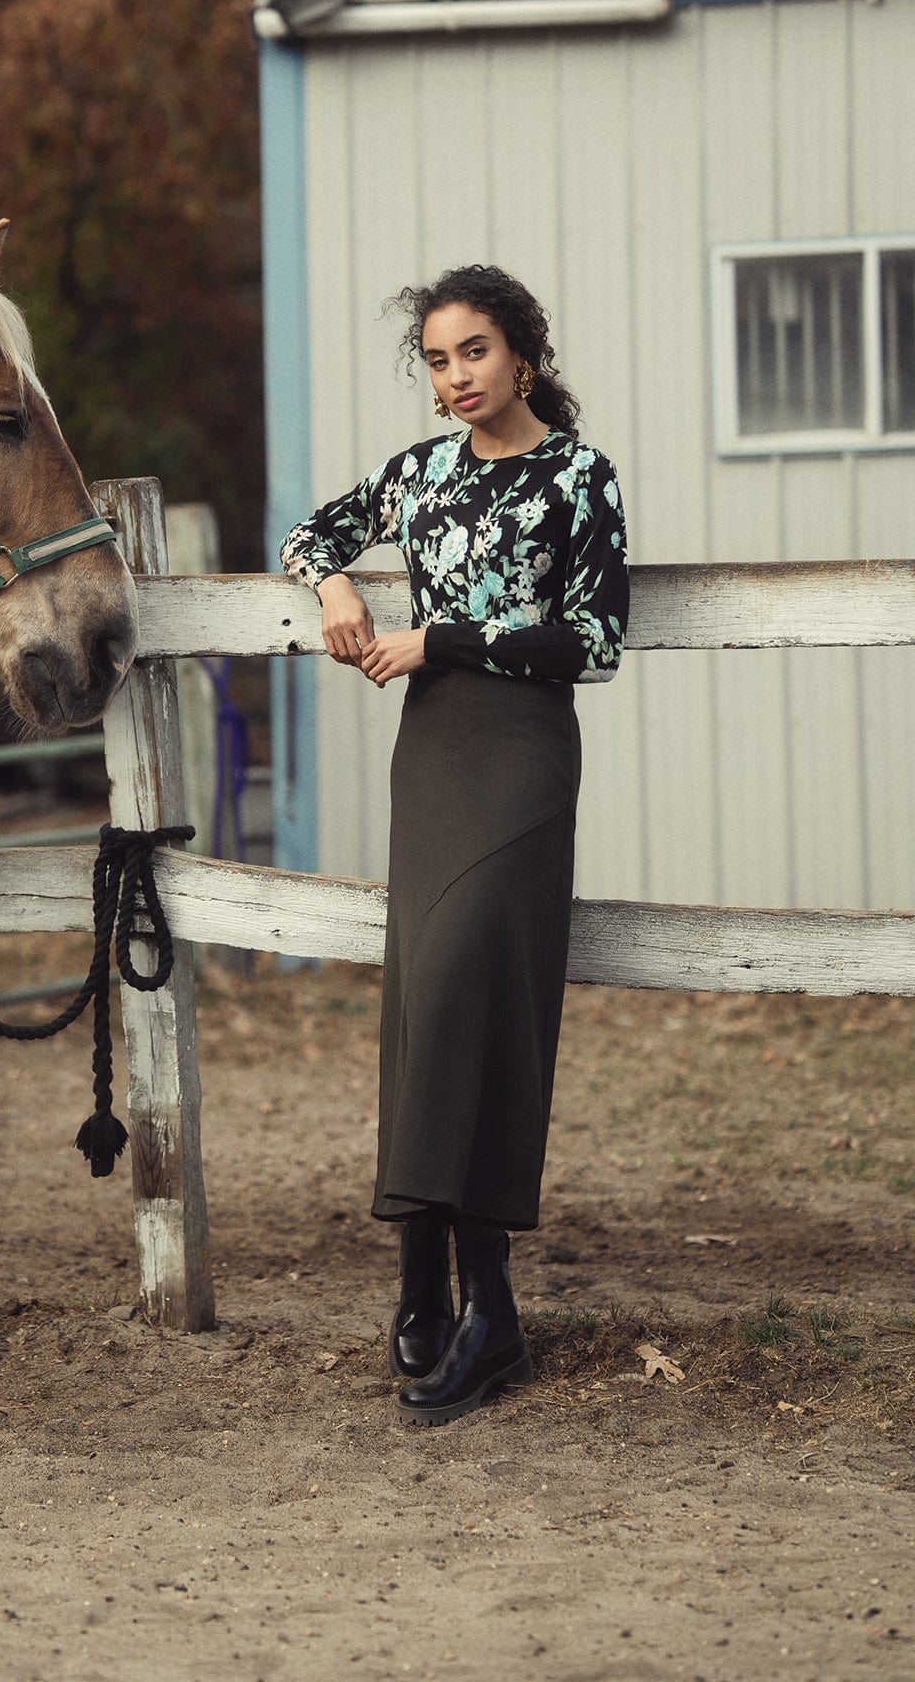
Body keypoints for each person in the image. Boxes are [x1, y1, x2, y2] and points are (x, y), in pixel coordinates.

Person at [280, 264, 628, 1426]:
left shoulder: (580, 477)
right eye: (435, 359)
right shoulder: (417, 475)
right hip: (430, 761)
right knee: (425, 998)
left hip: (521, 754)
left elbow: (591, 639)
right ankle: (421, 1279)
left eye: (472, 351)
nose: (454, 377)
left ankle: (491, 1307)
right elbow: (309, 530)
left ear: (521, 354)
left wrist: (440, 635)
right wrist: (336, 587)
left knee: (477, 981)